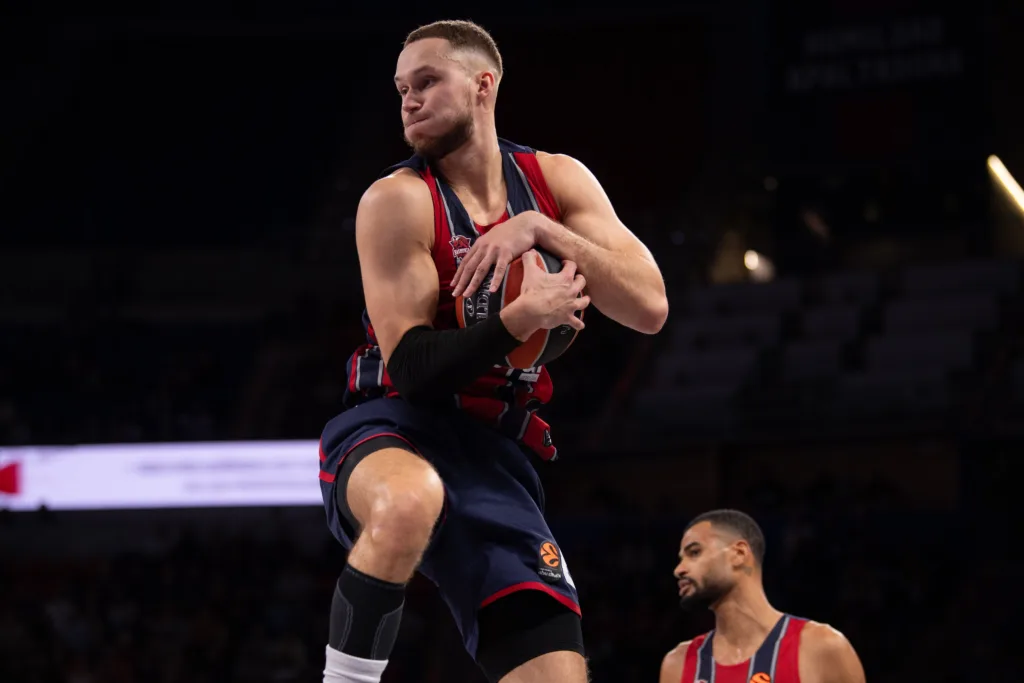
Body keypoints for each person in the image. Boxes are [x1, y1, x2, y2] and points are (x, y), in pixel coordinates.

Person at [317, 18, 668, 683]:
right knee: (409, 502)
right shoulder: (395, 200)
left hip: (495, 450)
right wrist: (519, 319)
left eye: (426, 82)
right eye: (401, 89)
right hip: (392, 425)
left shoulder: (555, 180)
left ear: (483, 85)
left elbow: (649, 306)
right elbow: (413, 372)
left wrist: (539, 229)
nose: (409, 101)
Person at [659, 510, 866, 683]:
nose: (679, 569)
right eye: (681, 558)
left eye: (694, 552)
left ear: (739, 554)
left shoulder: (822, 648)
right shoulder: (677, 665)